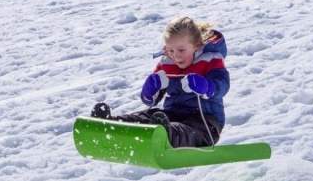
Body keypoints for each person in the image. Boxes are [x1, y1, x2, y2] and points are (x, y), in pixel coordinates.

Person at [91, 16, 230, 148]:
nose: (176, 55)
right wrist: (150, 90)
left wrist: (206, 87)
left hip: (206, 122)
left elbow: (222, 85)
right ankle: (110, 126)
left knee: (186, 130)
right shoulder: (167, 63)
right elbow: (150, 101)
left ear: (196, 45)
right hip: (173, 114)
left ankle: (165, 135)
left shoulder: (211, 60)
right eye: (170, 50)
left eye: (181, 50)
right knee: (149, 116)